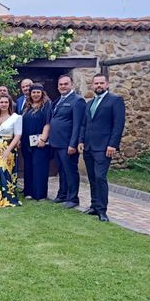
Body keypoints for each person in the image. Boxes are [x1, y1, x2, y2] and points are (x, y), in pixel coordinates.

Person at [79, 73, 126, 222]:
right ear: (92, 85)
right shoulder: (89, 103)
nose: (98, 86)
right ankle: (94, 205)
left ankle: (102, 210)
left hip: (104, 147)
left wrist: (113, 144)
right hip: (89, 147)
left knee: (100, 177)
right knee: (92, 178)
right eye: (96, 83)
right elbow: (84, 124)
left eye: (101, 83)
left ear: (106, 84)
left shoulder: (115, 101)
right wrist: (81, 141)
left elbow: (118, 125)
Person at [49, 75, 86, 208]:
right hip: (56, 143)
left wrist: (73, 144)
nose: (63, 86)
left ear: (72, 85)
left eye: (65, 84)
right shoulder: (58, 100)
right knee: (62, 170)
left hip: (67, 144)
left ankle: (73, 198)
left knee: (70, 171)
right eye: (61, 84)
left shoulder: (77, 101)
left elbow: (78, 124)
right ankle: (62, 194)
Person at [20, 83, 52, 201]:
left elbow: (48, 123)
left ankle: (40, 194)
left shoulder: (47, 105)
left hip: (40, 141)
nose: (36, 94)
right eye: (33, 92)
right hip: (26, 141)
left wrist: (43, 138)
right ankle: (29, 192)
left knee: (39, 166)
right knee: (28, 166)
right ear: (30, 93)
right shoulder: (27, 106)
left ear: (42, 93)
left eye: (38, 92)